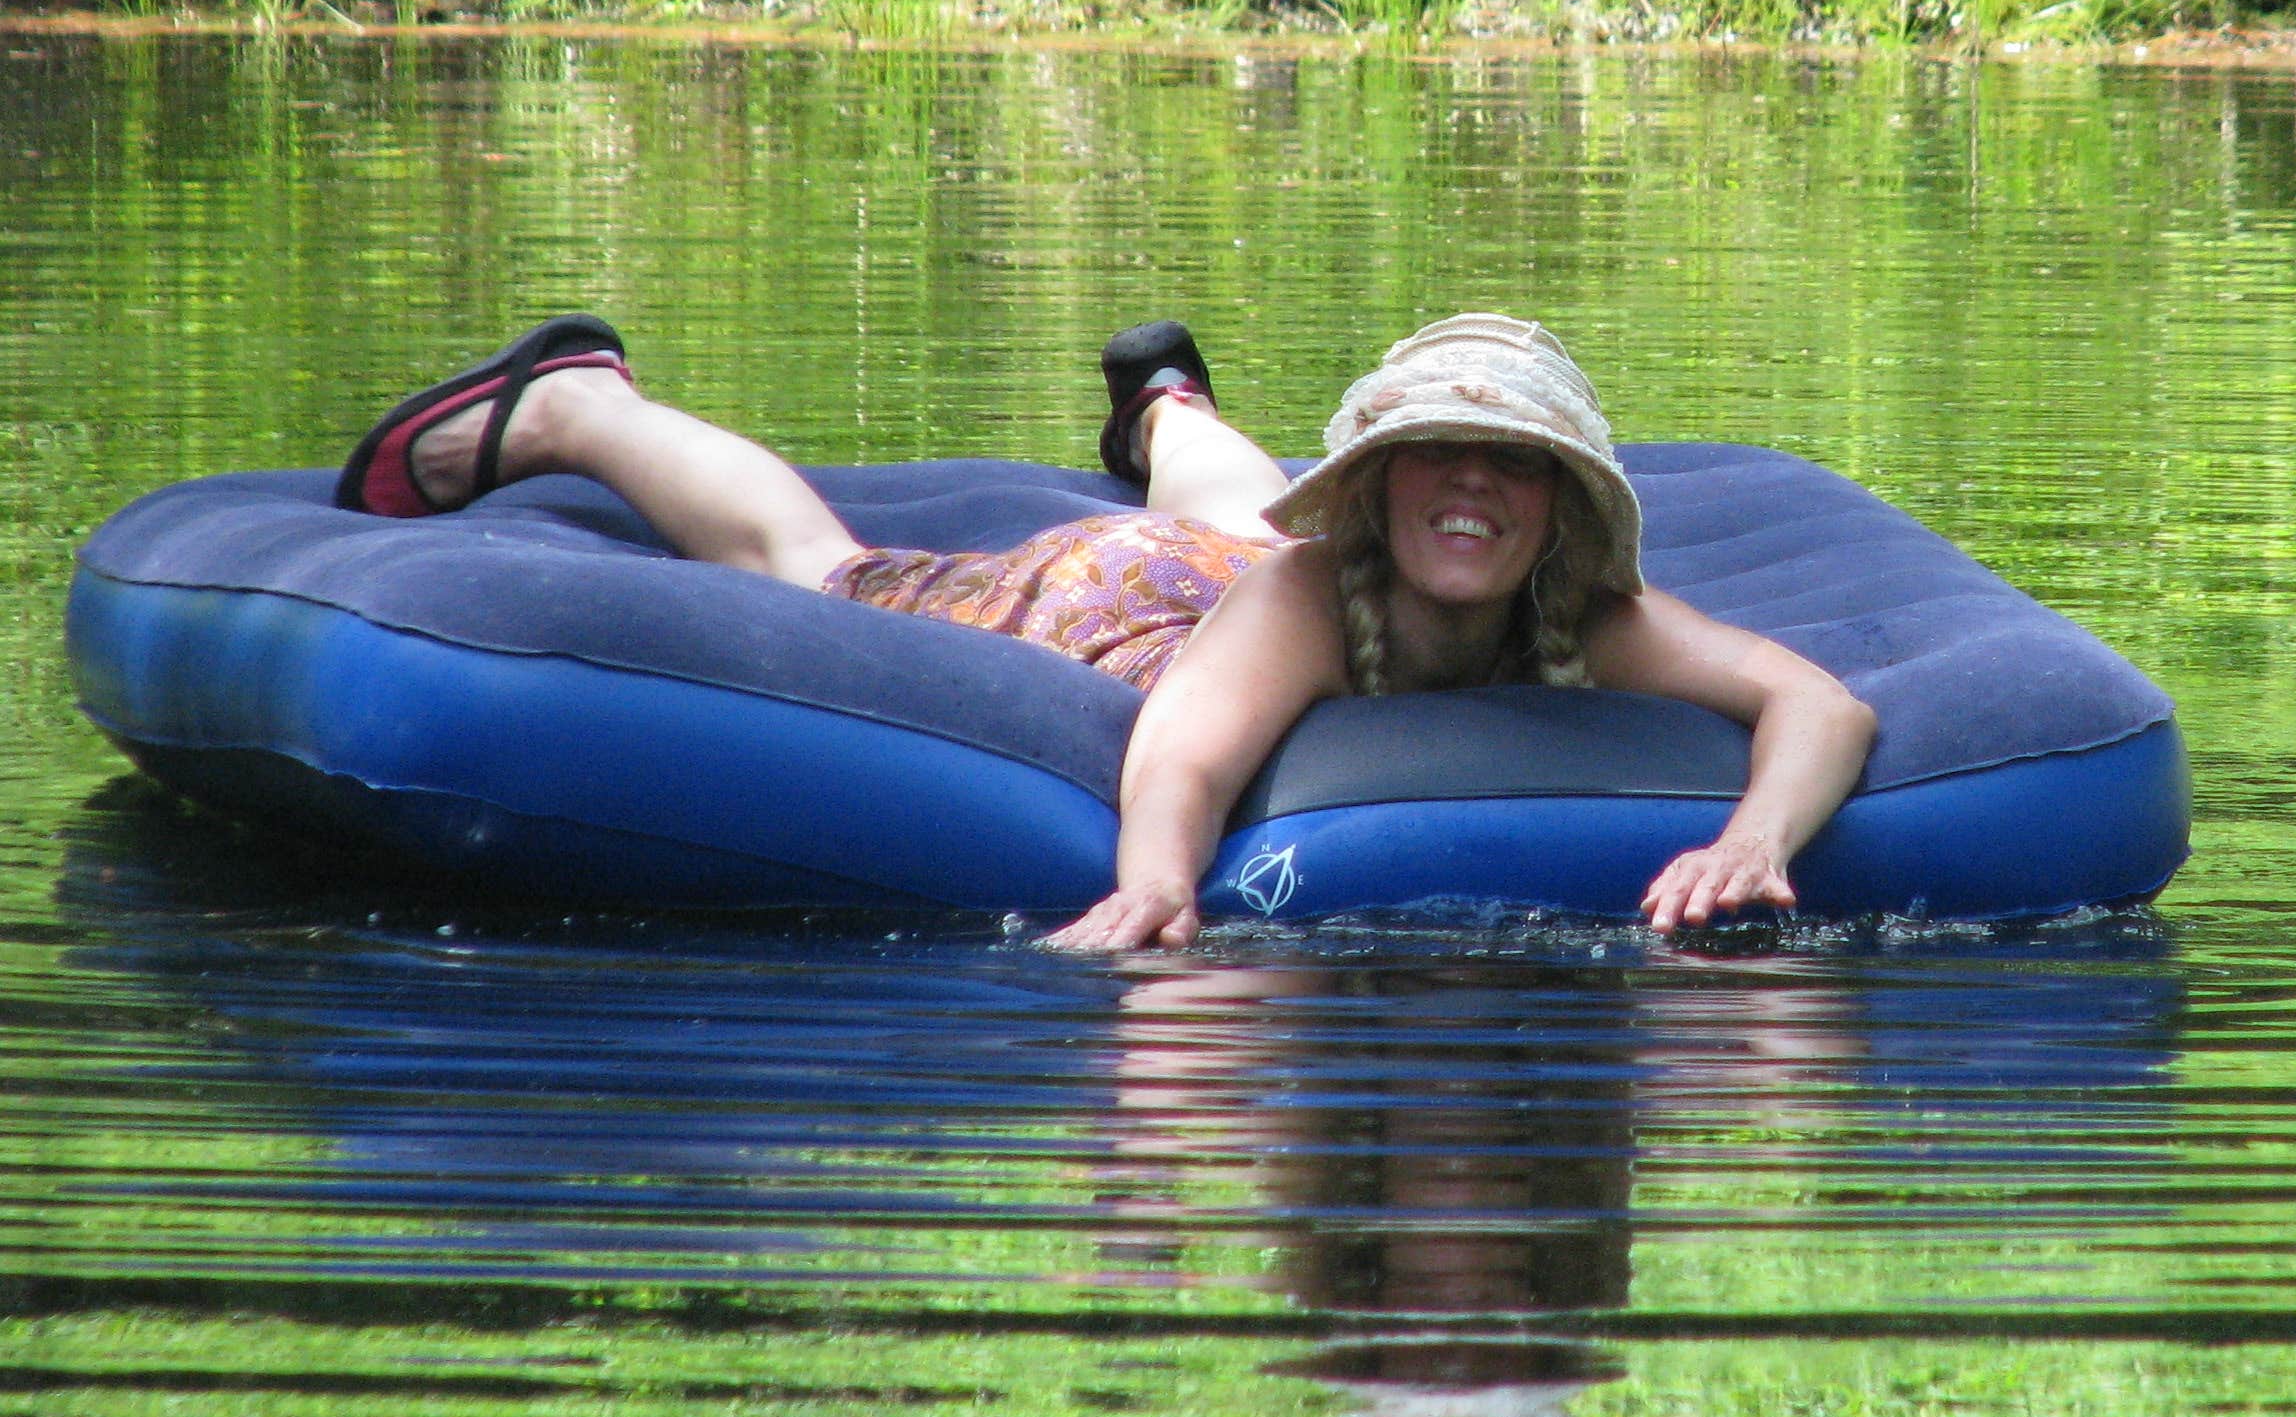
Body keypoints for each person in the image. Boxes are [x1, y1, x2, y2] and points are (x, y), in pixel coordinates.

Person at [331, 311, 1878, 950]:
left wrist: (1756, 840)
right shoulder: (1305, 591)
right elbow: (1180, 757)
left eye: (1513, 467)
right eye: (1436, 457)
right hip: (1118, 611)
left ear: (1555, 505)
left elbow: (1820, 707)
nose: (1473, 487)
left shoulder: (1575, 611)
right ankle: (577, 405)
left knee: (1226, 499)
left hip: (1211, 549)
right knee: (814, 565)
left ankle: (1167, 405)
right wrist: (1155, 888)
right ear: (1387, 482)